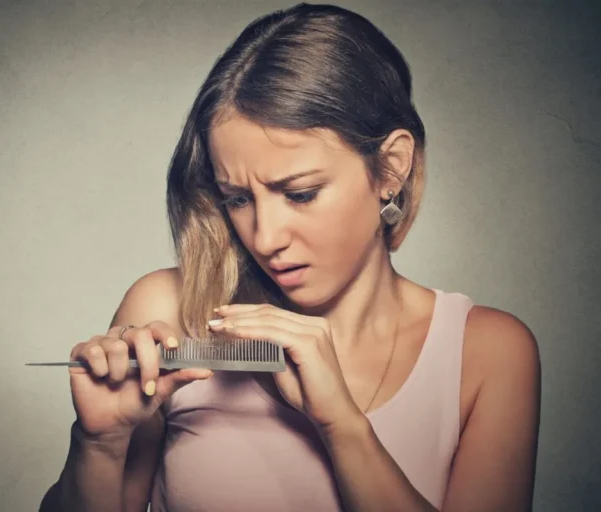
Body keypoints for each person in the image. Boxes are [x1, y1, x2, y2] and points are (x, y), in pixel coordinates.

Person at [38, 3, 541, 511]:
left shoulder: (486, 353)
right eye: (237, 198)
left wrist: (344, 428)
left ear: (391, 168)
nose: (265, 237)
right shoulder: (169, 314)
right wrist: (99, 444)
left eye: (300, 193)